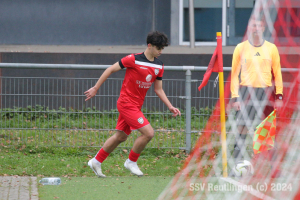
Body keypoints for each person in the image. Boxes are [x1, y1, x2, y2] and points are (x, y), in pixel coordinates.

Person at [84, 31, 181, 177]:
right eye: (158, 48)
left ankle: (96, 161)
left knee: (121, 136)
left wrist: (170, 106)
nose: (161, 51)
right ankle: (131, 162)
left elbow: (158, 89)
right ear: (149, 46)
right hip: (126, 103)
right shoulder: (133, 59)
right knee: (148, 133)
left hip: (136, 106)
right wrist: (96, 88)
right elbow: (110, 69)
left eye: (162, 49)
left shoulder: (159, 66)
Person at [229, 14, 283, 175]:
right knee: (241, 130)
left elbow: (277, 74)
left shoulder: (271, 48)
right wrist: (235, 97)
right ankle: (236, 168)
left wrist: (279, 96)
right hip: (246, 93)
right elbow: (234, 75)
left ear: (263, 28)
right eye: (253, 25)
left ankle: (274, 169)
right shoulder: (240, 48)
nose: (256, 28)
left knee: (267, 132)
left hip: (265, 93)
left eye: (259, 26)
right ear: (249, 28)